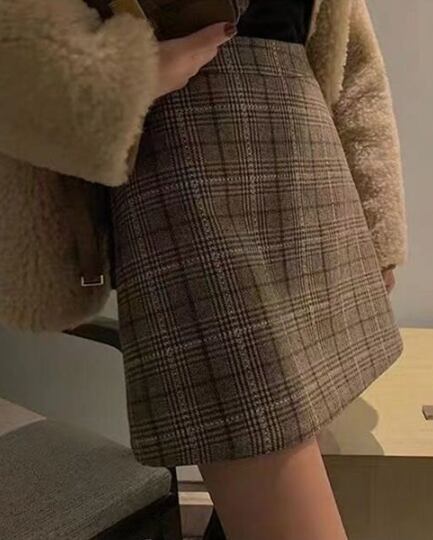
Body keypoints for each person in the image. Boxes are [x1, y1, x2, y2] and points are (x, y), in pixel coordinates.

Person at [0, 1, 407, 539]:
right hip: (189, 172)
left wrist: (378, 226)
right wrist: (125, 81)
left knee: (290, 460)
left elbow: (352, 54)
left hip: (310, 161)